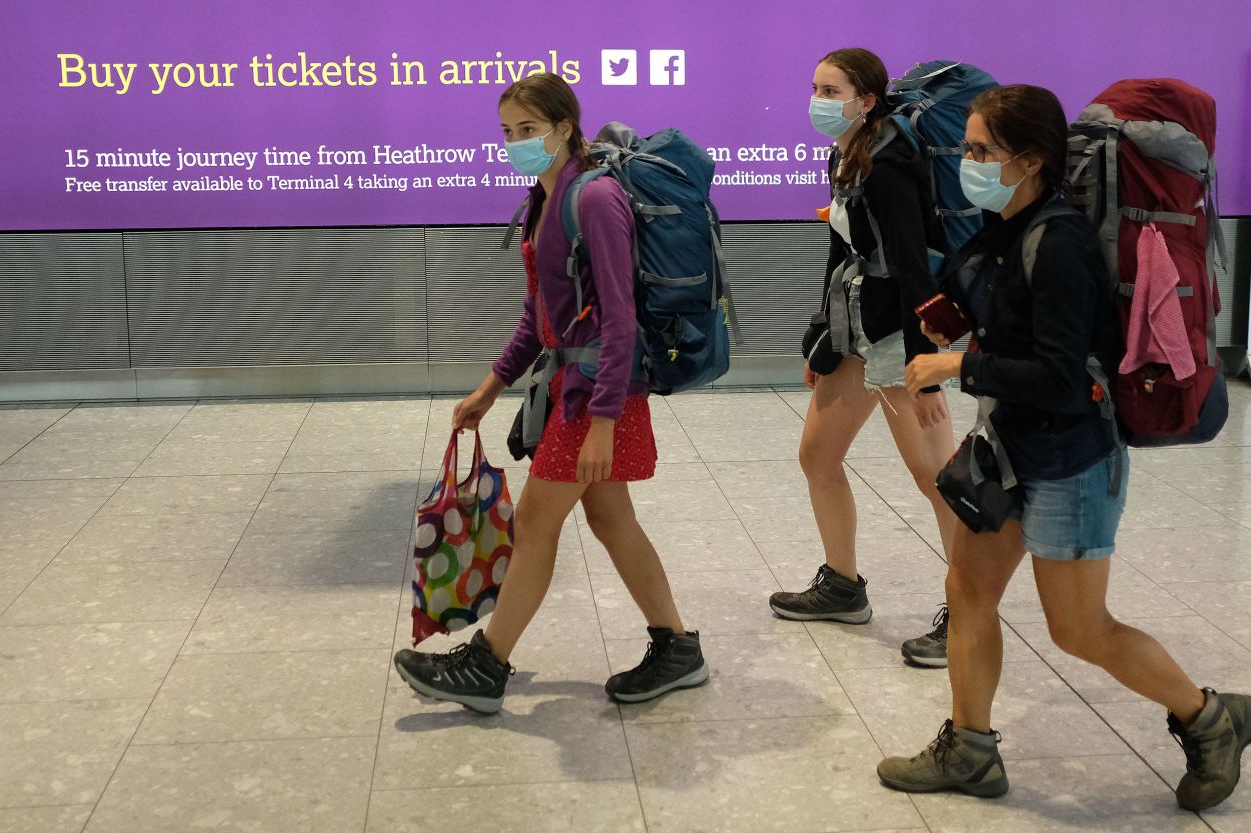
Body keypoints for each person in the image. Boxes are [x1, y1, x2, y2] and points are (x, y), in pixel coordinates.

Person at [876, 84, 1251, 812]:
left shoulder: (1059, 242)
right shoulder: (1005, 227)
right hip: (1014, 446)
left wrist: (958, 364)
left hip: (1073, 458)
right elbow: (975, 287)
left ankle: (1211, 719)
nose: (971, 161)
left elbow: (1057, 375)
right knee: (967, 590)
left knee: (1079, 628)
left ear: (1030, 160)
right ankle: (970, 749)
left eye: (984, 150)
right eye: (968, 147)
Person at [393, 74, 708, 713]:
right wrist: (492, 384)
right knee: (610, 516)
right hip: (575, 385)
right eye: (507, 133)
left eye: (529, 131)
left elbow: (619, 319)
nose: (516, 143)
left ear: (566, 128)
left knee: (537, 520)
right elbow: (539, 312)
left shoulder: (594, 199)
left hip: (597, 394)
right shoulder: (544, 197)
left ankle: (487, 665)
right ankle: (676, 647)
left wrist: (601, 422)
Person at [769, 48, 960, 640]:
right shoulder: (846, 153)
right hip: (854, 326)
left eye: (831, 92)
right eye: (816, 88)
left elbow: (914, 268)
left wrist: (921, 368)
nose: (818, 102)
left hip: (900, 336)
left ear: (867, 99)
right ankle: (843, 587)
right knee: (817, 456)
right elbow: (840, 249)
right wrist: (818, 341)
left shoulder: (891, 161)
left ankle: (969, 610)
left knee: (937, 477)